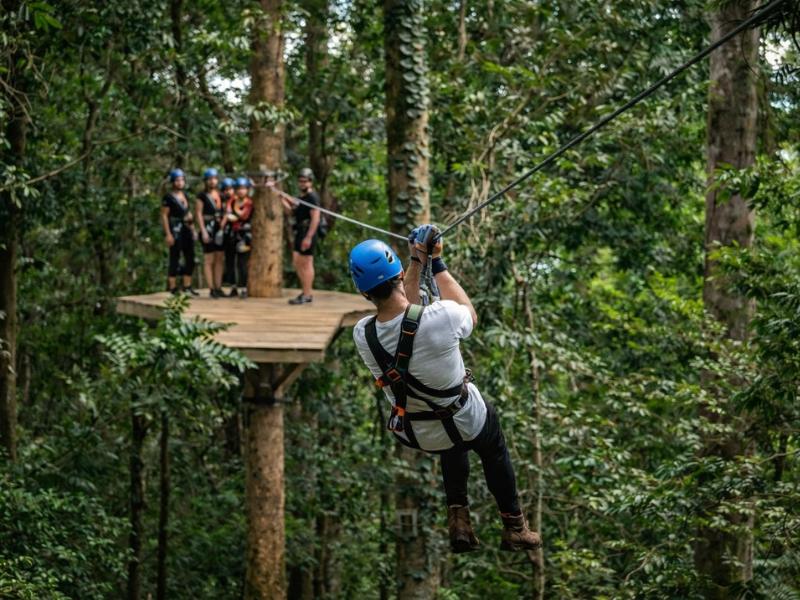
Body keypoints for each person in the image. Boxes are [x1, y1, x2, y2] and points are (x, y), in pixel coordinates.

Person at [349, 226, 542, 553]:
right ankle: (514, 527)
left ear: (364, 293)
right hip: (461, 417)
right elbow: (470, 314)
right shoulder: (444, 317)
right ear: (396, 274)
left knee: (450, 438)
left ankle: (459, 521)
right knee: (490, 442)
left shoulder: (362, 334)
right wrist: (435, 263)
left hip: (417, 430)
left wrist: (415, 260)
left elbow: (404, 313)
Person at [281, 167, 320, 305]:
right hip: (300, 231)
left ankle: (308, 294)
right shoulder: (301, 198)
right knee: (297, 261)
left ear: (310, 182)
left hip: (307, 231)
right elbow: (292, 211)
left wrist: (309, 237)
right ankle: (305, 291)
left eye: (305, 181)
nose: (302, 184)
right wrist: (282, 198)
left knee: (306, 263)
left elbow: (315, 218)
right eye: (301, 181)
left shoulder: (312, 197)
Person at [160, 168, 197, 295]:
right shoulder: (168, 197)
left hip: (186, 228)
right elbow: (164, 215)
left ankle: (187, 285)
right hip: (175, 228)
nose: (180, 183)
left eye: (182, 180)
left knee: (190, 257)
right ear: (173, 182)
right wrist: (168, 234)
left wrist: (193, 229)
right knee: (175, 257)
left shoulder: (185, 195)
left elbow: (188, 213)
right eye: (177, 180)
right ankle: (173, 287)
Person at [220, 177, 253, 299]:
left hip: (244, 236)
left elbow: (243, 216)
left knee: (242, 263)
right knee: (229, 262)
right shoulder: (232, 201)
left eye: (243, 188)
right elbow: (228, 214)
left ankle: (243, 288)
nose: (241, 191)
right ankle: (233, 287)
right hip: (231, 235)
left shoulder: (249, 203)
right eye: (238, 188)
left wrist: (232, 212)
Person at [195, 168, 225, 298]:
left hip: (219, 227)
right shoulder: (201, 196)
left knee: (219, 258)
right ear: (206, 181)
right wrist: (203, 231)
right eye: (210, 179)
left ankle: (218, 287)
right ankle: (211, 287)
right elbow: (198, 213)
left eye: (214, 179)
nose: (212, 181)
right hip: (207, 227)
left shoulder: (221, 194)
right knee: (209, 259)